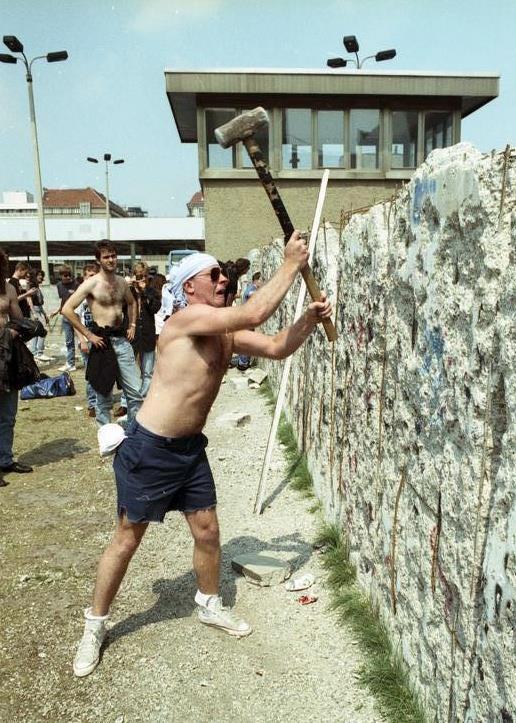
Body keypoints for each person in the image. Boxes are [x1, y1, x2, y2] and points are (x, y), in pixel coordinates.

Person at [72, 230, 332, 677]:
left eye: (223, 275)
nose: (222, 281)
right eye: (213, 275)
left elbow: (275, 346)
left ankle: (209, 603)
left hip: (189, 449)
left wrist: (309, 318)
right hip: (150, 448)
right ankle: (94, 626)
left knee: (208, 530)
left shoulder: (225, 334)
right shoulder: (185, 321)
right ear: (189, 287)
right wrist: (291, 262)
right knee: (128, 539)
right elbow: (254, 309)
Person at [61, 240, 143, 427]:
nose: (111, 260)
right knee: (103, 395)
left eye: (113, 256)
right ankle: (106, 436)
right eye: (106, 257)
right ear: (98, 260)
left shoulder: (122, 282)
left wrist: (132, 324)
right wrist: (88, 335)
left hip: (121, 340)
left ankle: (133, 434)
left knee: (135, 393)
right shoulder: (91, 284)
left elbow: (131, 302)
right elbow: (67, 309)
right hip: (102, 342)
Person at [0, 247, 33, 482]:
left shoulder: (8, 288)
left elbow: (18, 319)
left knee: (9, 413)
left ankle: (5, 459)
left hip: (7, 355)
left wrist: (14, 329)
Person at [116, 262, 161, 416]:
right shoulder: (127, 291)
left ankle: (142, 399)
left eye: (143, 275)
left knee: (147, 371)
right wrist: (125, 287)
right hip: (131, 333)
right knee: (128, 370)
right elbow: (117, 306)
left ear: (147, 275)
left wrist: (145, 292)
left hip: (147, 333)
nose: (140, 278)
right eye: (138, 275)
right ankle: (125, 403)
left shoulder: (152, 291)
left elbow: (155, 308)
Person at [76, 262, 100, 417]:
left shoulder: (100, 293)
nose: (92, 278)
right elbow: (75, 320)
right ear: (84, 277)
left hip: (99, 338)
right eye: (89, 276)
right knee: (90, 374)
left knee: (101, 372)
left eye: (94, 275)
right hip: (86, 338)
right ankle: (92, 404)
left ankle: (101, 402)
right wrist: (82, 340)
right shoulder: (80, 295)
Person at [50, 265, 80, 372]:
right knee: (69, 341)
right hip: (65, 316)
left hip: (76, 316)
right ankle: (71, 363)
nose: (68, 277)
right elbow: (63, 300)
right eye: (65, 276)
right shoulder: (59, 286)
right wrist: (57, 310)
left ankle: (88, 361)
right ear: (61, 276)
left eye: (69, 275)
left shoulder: (76, 284)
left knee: (82, 340)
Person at [237, 271, 263, 371]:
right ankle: (243, 363)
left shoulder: (250, 288)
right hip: (247, 320)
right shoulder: (251, 289)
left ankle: (242, 362)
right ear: (256, 280)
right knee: (247, 341)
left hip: (246, 319)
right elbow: (251, 295)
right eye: (261, 281)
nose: (262, 283)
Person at [27, 269, 52, 362]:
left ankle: (35, 353)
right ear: (34, 276)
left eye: (42, 275)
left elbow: (40, 303)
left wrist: (45, 314)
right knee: (42, 330)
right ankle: (39, 353)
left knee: (36, 332)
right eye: (39, 275)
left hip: (39, 309)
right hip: (35, 310)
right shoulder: (31, 286)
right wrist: (33, 313)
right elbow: (29, 299)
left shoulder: (36, 286)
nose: (41, 277)